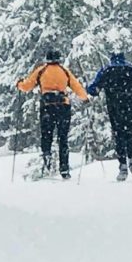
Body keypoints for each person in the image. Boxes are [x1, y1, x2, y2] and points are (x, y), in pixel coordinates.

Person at [16, 48, 88, 179]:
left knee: (46, 137)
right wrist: (85, 98)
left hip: (47, 108)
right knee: (63, 139)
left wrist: (19, 84)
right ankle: (64, 169)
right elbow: (76, 86)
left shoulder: (42, 70)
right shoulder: (64, 71)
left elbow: (27, 86)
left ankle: (47, 164)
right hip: (63, 107)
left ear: (47, 59)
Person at [87, 51, 132, 181]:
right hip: (130, 106)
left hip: (115, 106)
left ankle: (123, 165)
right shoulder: (131, 69)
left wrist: (93, 91)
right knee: (128, 132)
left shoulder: (106, 70)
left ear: (112, 58)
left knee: (119, 133)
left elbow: (93, 88)